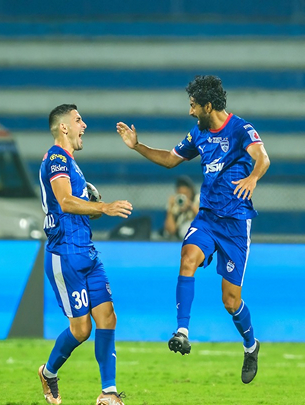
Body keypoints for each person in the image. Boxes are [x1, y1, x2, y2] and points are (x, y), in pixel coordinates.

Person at [116, 75, 270, 384]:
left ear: (207, 106)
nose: (190, 112)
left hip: (236, 224)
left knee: (230, 301)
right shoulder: (198, 133)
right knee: (187, 258)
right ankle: (182, 331)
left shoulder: (240, 130)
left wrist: (253, 178)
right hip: (208, 218)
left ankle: (251, 346)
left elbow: (262, 158)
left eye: (193, 106)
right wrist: (137, 147)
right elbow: (171, 160)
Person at [38, 104, 133, 405]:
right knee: (82, 329)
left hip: (87, 253)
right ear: (63, 127)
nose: (84, 125)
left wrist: (92, 207)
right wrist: (103, 207)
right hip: (64, 253)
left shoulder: (72, 164)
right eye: (78, 120)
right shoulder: (55, 159)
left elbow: (75, 204)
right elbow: (65, 202)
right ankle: (48, 371)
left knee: (107, 316)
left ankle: (109, 392)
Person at [162, 176, 199, 240]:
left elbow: (205, 221)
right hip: (179, 239)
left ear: (191, 191)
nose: (183, 196)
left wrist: (190, 206)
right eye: (180, 194)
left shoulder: (198, 199)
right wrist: (170, 209)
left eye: (185, 194)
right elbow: (171, 231)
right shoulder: (175, 205)